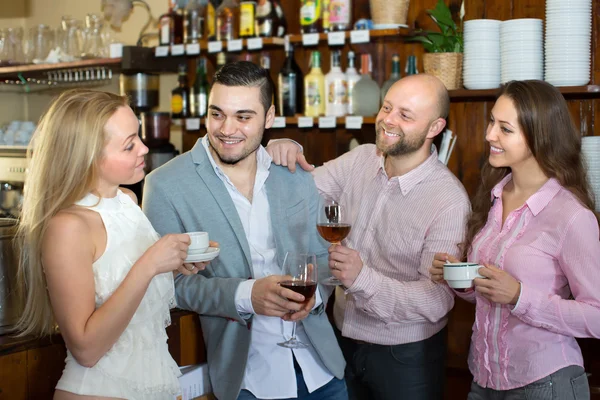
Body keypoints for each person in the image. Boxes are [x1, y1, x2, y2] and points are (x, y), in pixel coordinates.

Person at [142, 61, 347, 400]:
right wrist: (246, 295)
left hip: (322, 372)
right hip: (247, 380)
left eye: (243, 116)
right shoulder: (164, 185)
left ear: (269, 117)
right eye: (217, 114)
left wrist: (311, 298)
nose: (227, 128)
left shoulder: (294, 174)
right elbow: (166, 287)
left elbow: (321, 260)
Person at [266, 74, 471, 400]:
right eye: (387, 107)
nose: (388, 120)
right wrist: (286, 148)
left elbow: (437, 300)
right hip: (341, 340)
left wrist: (363, 278)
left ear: (434, 128)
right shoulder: (361, 158)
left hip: (405, 357)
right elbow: (300, 194)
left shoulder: (449, 200)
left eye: (405, 115)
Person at [14, 89, 210, 399]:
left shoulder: (128, 200)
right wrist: (149, 265)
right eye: (129, 144)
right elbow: (86, 349)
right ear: (87, 156)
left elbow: (129, 294)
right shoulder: (67, 227)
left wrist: (173, 267)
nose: (144, 148)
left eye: (139, 137)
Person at [429, 80, 600, 399]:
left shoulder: (571, 216)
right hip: (483, 380)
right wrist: (462, 281)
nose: (489, 134)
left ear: (540, 137)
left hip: (546, 383)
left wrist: (521, 296)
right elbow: (492, 294)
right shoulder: (493, 196)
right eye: (492, 121)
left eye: (504, 128)